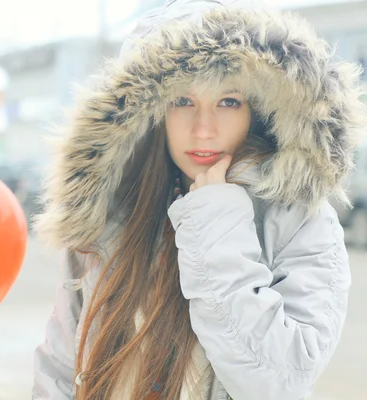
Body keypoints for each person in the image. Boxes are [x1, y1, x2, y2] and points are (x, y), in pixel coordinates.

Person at [31, 0, 367, 399]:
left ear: (259, 110)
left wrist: (217, 225)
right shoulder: (111, 213)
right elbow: (60, 369)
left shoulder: (299, 221)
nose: (204, 128)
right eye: (182, 101)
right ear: (151, 112)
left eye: (228, 102)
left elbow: (279, 381)